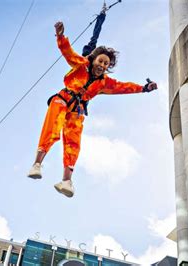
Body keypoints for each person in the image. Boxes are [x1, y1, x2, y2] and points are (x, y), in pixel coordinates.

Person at [27, 21, 157, 198]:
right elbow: (68, 53)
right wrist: (60, 36)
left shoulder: (104, 82)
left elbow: (124, 87)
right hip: (63, 100)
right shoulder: (81, 65)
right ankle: (37, 164)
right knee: (53, 128)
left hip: (77, 110)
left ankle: (66, 181)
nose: (103, 65)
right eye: (101, 61)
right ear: (93, 59)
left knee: (73, 142)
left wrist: (144, 88)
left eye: (106, 64)